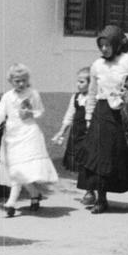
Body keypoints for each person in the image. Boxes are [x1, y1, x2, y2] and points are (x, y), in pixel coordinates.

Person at [83, 25, 128, 214]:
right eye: (101, 45)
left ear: (116, 44)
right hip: (102, 111)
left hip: (126, 113)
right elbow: (92, 92)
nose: (104, 49)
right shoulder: (97, 65)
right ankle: (101, 199)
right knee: (99, 155)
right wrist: (89, 116)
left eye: (107, 45)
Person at [0, 64, 59, 215]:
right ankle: (34, 194)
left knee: (21, 169)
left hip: (29, 133)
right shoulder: (8, 96)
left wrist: (31, 113)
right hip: (12, 135)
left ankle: (11, 203)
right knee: (17, 169)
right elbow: (0, 111)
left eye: (23, 80)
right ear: (11, 81)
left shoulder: (32, 94)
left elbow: (40, 111)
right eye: (17, 81)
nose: (21, 84)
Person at [52, 65, 93, 200]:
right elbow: (69, 116)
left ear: (91, 83)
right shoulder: (75, 97)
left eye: (82, 82)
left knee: (89, 162)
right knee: (81, 163)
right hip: (76, 134)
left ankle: (90, 191)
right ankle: (89, 191)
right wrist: (61, 132)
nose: (78, 84)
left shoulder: (94, 99)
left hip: (89, 135)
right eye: (78, 81)